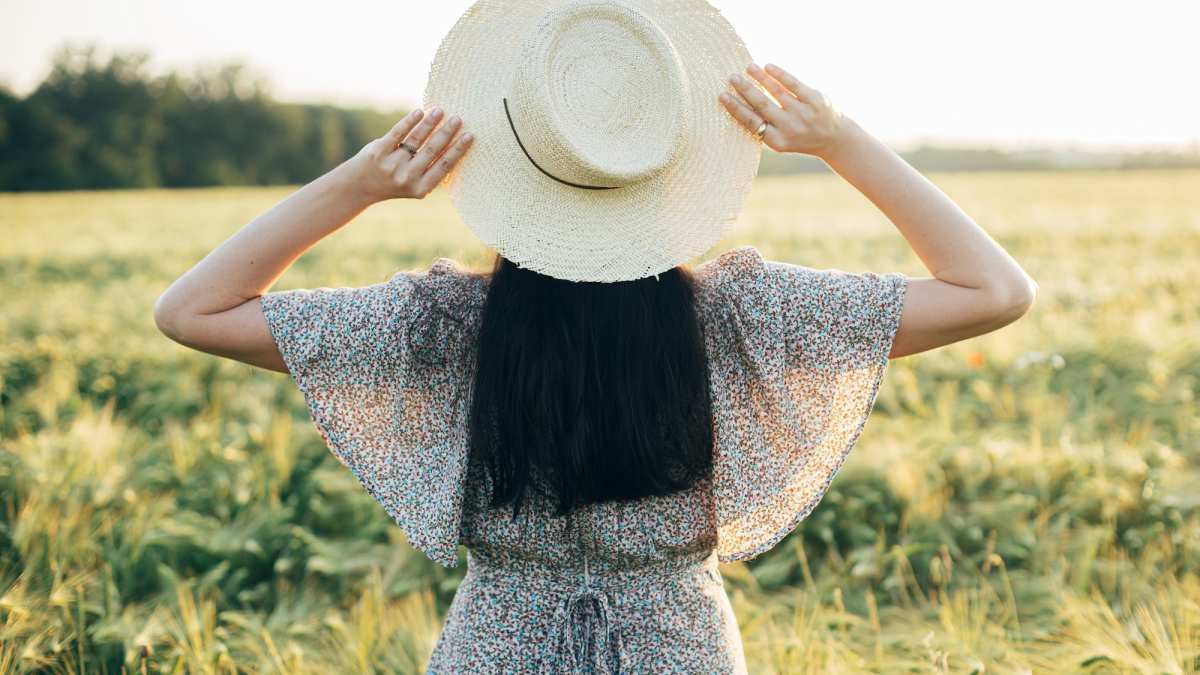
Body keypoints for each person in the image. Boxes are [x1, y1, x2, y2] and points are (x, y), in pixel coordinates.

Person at [153, 0, 1037, 671]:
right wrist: (840, 141)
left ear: (506, 163)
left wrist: (359, 183)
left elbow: (192, 310)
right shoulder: (739, 315)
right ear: (674, 168)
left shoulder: (443, 325)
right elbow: (994, 290)